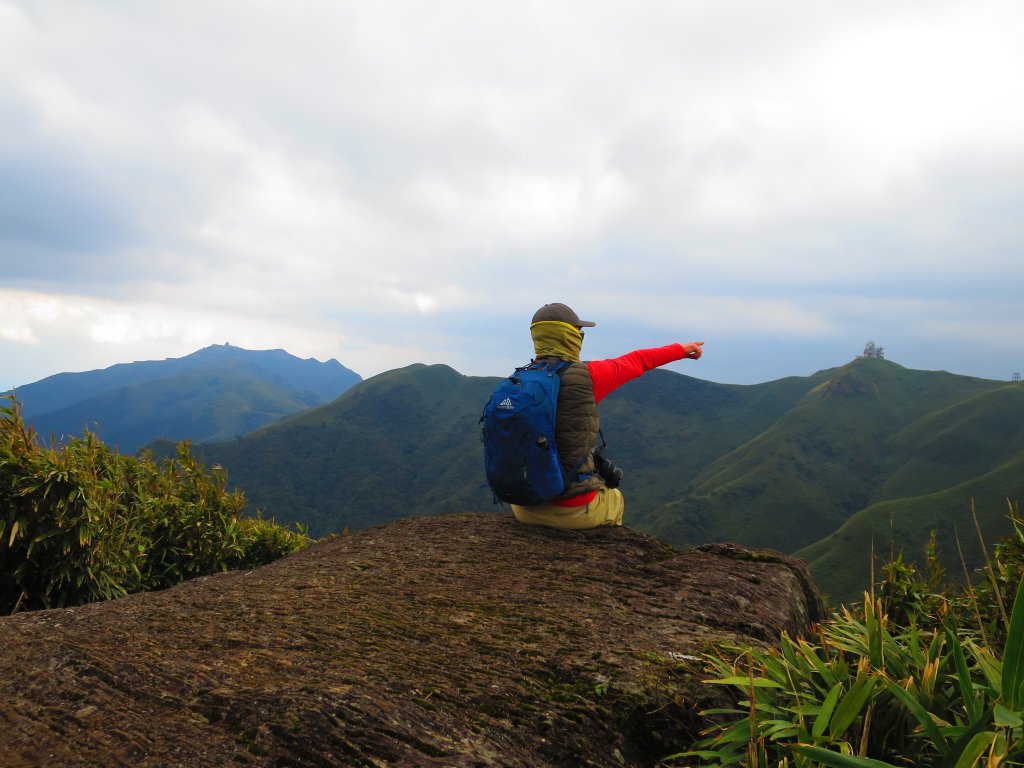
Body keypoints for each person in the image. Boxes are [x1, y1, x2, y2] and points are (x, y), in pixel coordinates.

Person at [511, 302, 703, 530]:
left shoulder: (517, 380)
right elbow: (637, 360)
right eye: (579, 332)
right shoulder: (589, 377)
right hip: (572, 510)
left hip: (522, 506)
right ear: (572, 337)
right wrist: (682, 349)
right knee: (615, 499)